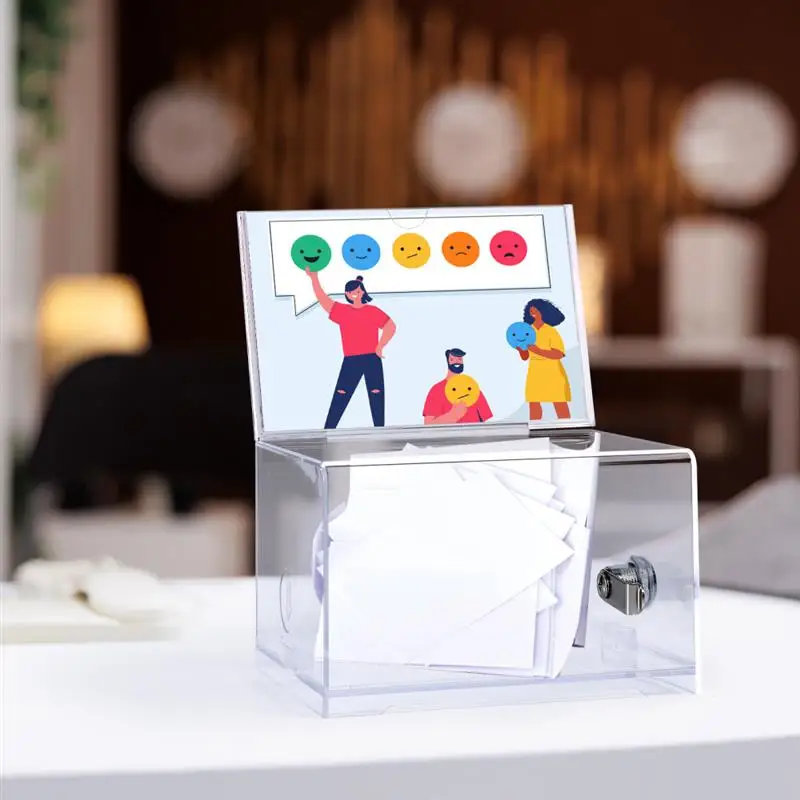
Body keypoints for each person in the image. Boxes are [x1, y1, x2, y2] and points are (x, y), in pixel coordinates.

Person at [306, 269, 396, 429]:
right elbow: (323, 299)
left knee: (376, 394)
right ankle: (328, 430)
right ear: (347, 294)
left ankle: (380, 432)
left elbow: (390, 326)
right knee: (341, 394)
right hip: (351, 359)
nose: (356, 294)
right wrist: (314, 278)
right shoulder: (343, 311)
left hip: (372, 358)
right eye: (352, 292)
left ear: (363, 292)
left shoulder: (372, 311)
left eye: (358, 291)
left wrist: (380, 345)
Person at [516, 298, 571, 420]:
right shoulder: (527, 332)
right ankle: (535, 428)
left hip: (553, 372)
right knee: (534, 404)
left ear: (543, 311)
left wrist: (538, 351)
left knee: (559, 402)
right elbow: (525, 357)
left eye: (535, 309)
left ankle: (565, 427)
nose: (533, 312)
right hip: (535, 372)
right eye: (530, 310)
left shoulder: (551, 331)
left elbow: (559, 354)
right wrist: (521, 350)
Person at [422, 348, 493, 425]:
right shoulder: (436, 390)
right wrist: (453, 416)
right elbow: (428, 425)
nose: (457, 362)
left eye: (460, 359)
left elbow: (486, 425)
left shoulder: (473, 389)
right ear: (448, 362)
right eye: (452, 359)